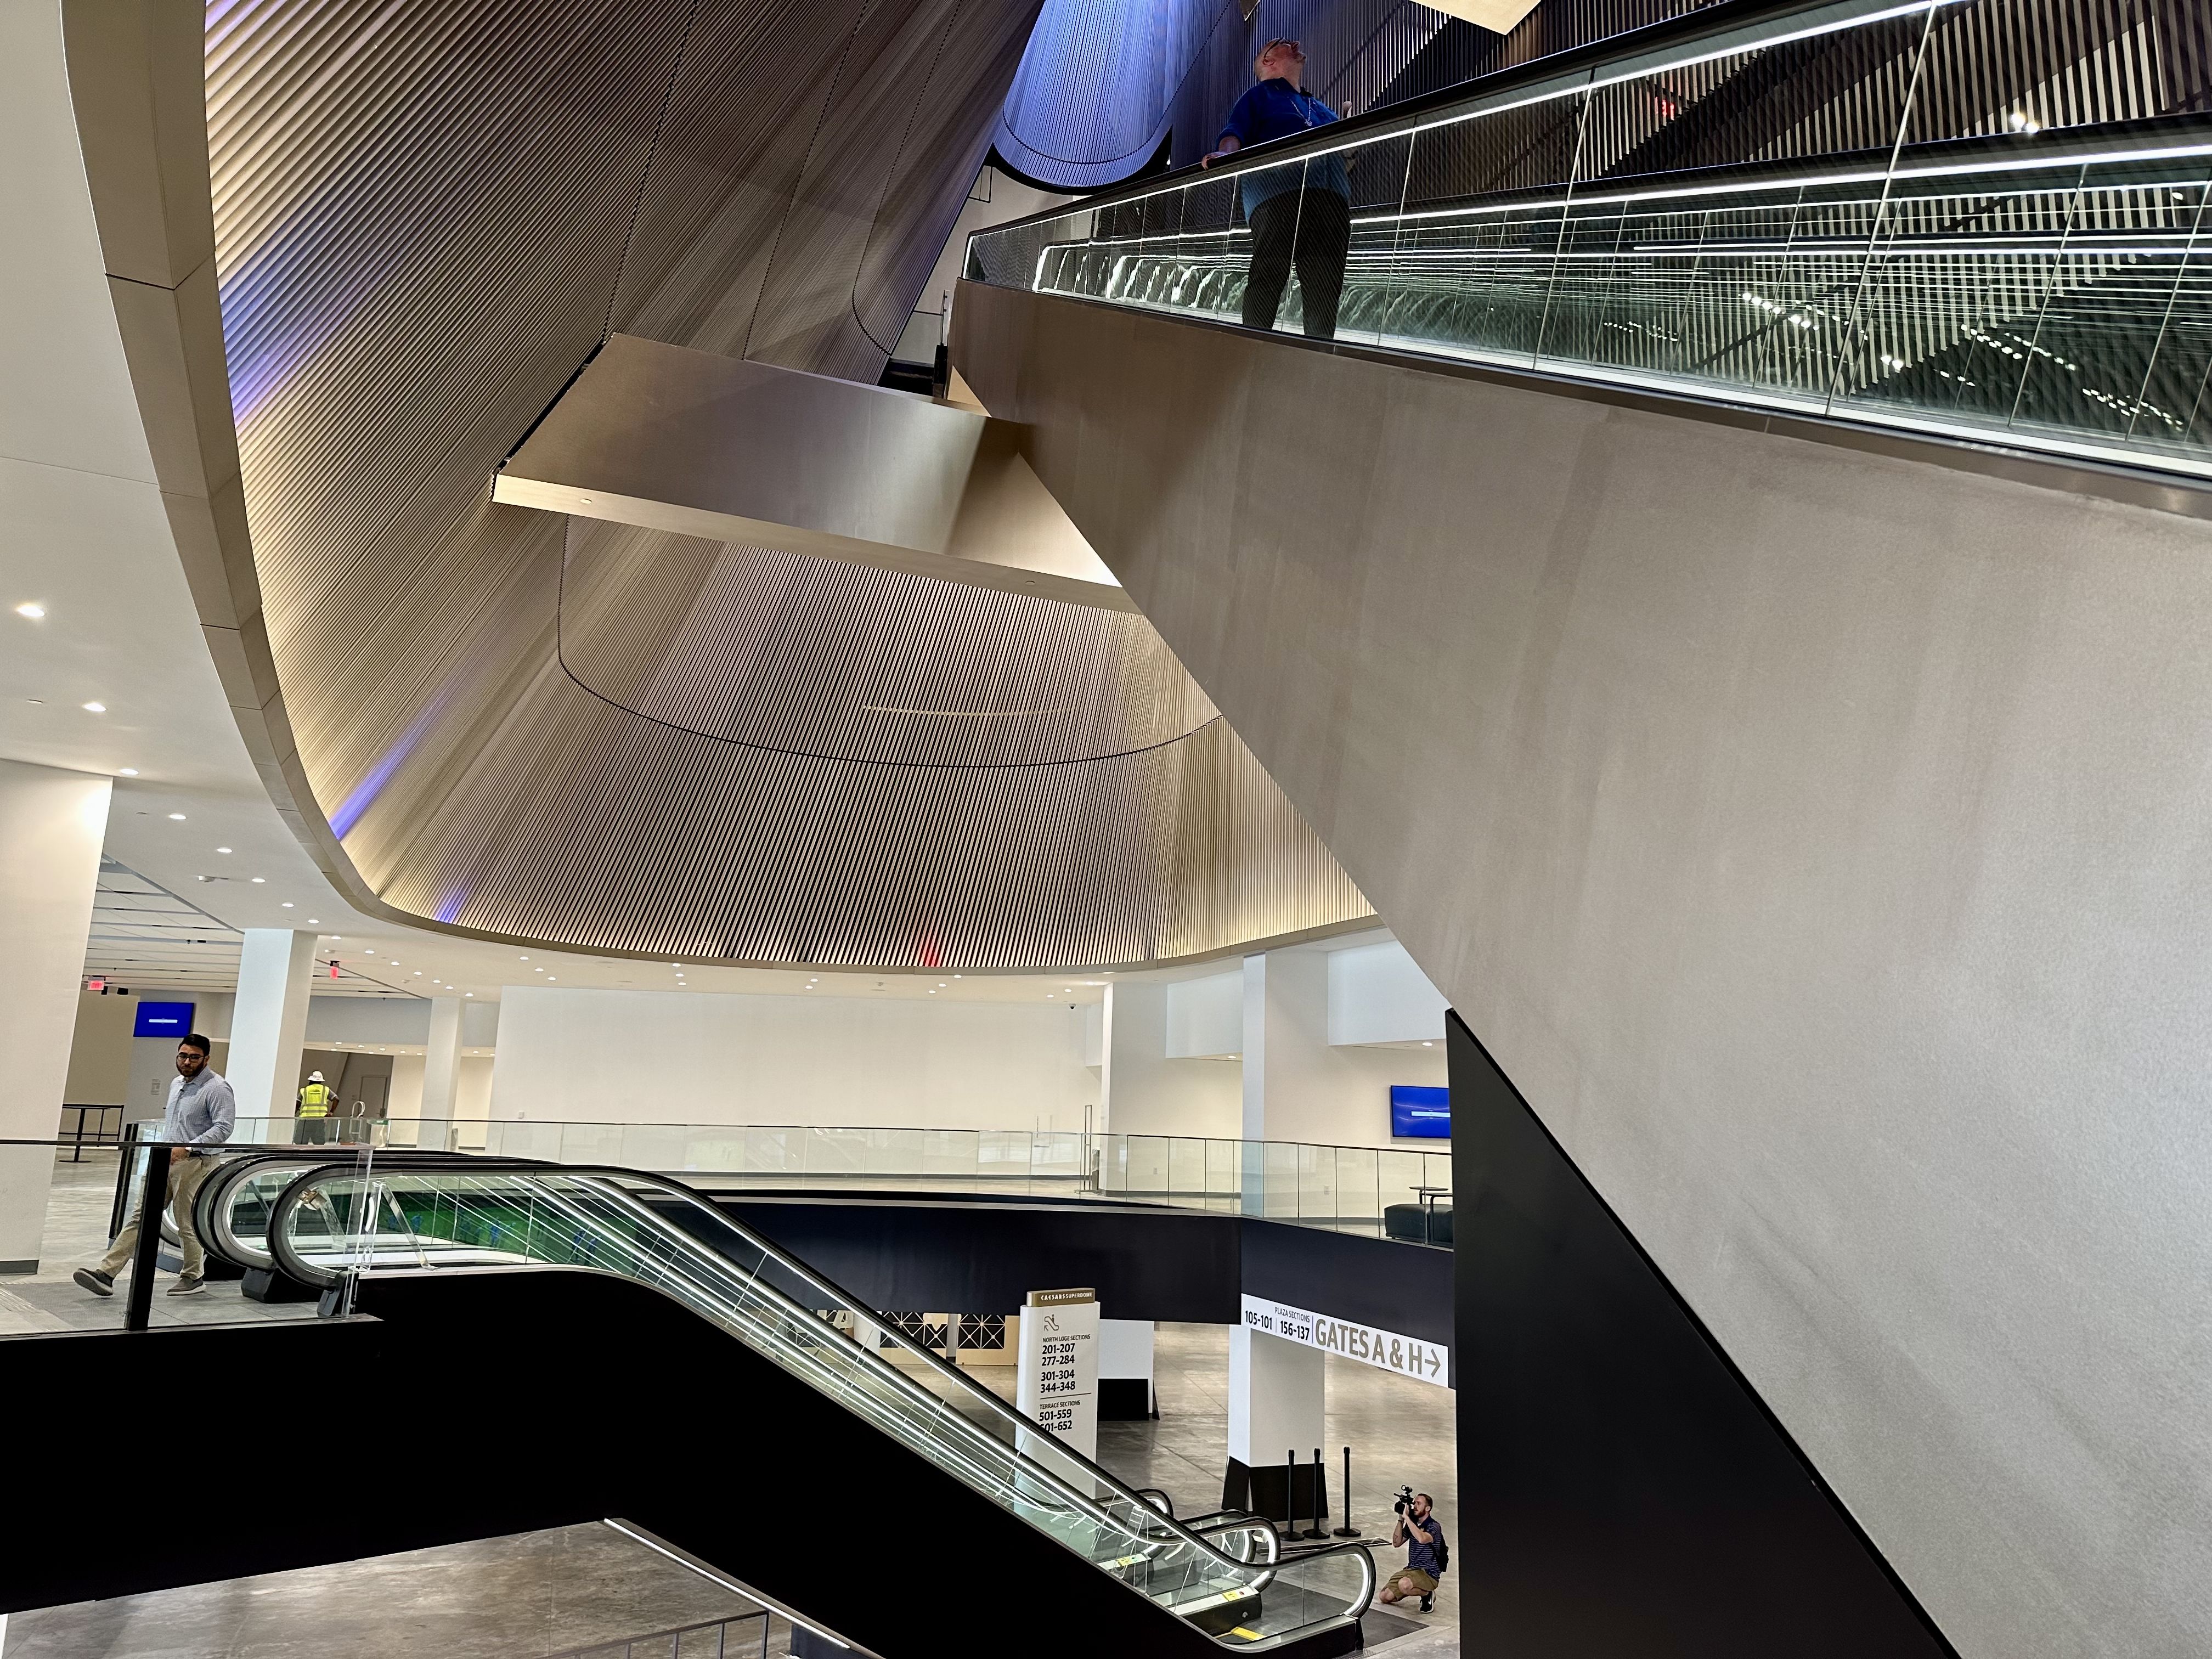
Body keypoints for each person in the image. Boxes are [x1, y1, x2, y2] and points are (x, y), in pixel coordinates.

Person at [1202, 38, 1354, 340]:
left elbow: (1346, 159)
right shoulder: (1256, 97)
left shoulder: (1319, 107)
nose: (1296, 43)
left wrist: (1350, 133)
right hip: (1277, 195)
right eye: (1284, 44)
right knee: (1269, 277)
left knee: (1325, 289)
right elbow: (1234, 133)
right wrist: (1226, 154)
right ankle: (1255, 350)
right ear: (1268, 61)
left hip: (1332, 200)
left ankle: (1318, 356)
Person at [74, 1034, 235, 1299]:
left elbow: (224, 1127)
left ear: (206, 1059)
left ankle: (194, 1276)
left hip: (196, 1163)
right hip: (165, 1161)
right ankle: (106, 1274)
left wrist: (189, 1146)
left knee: (187, 1222)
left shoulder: (217, 1088)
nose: (187, 1062)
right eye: (182, 1056)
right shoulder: (176, 1084)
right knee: (142, 1215)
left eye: (194, 1057)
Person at [1378, 1492, 1446, 1612]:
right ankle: (1412, 1587)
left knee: (1404, 1585)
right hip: (1412, 1570)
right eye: (1414, 1503)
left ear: (1428, 1508)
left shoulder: (1434, 1526)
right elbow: (1396, 1542)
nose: (1415, 1506)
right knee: (1384, 1597)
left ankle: (1427, 1594)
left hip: (1428, 1574)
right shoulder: (1412, 1525)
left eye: (1419, 1504)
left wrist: (1408, 1519)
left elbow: (1422, 1539)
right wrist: (1401, 1519)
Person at [295, 1070, 336, 1144]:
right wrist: (331, 1112)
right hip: (319, 1121)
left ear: (310, 1080)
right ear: (321, 1081)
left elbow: (298, 1103)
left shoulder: (304, 1090)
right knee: (319, 1143)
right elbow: (336, 1099)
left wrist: (294, 1115)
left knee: (300, 1142)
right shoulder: (326, 1090)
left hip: (305, 1120)